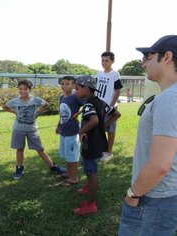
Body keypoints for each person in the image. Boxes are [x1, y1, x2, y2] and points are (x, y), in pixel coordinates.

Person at [118, 35, 177, 236]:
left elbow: (159, 165)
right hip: (176, 187)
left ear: (167, 57)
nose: (143, 62)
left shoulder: (171, 99)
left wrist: (133, 194)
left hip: (156, 197)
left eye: (148, 56)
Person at [73, 76, 119, 216]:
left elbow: (93, 120)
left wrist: (81, 131)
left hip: (91, 143)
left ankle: (90, 205)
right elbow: (117, 114)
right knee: (90, 167)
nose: (76, 90)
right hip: (99, 141)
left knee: (92, 173)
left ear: (86, 89)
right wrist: (103, 126)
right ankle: (89, 187)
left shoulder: (87, 104)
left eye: (78, 88)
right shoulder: (101, 102)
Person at [3, 80, 66, 180]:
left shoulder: (35, 100)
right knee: (20, 149)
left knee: (40, 149)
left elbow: (46, 105)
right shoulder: (15, 101)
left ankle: (53, 167)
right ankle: (19, 168)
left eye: (25, 89)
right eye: (20, 89)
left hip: (32, 129)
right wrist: (14, 112)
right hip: (18, 129)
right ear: (18, 89)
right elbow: (5, 107)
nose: (23, 91)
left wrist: (37, 113)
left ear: (29, 89)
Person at [55, 76, 84, 186]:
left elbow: (88, 104)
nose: (64, 86)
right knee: (67, 153)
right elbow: (62, 114)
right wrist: (58, 126)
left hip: (73, 131)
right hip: (64, 130)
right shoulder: (62, 97)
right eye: (62, 83)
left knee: (73, 154)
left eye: (67, 83)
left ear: (74, 85)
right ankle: (68, 172)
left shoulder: (76, 96)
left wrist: (79, 112)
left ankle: (74, 177)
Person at [96, 51, 123, 161]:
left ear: (112, 61)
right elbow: (95, 89)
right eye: (102, 60)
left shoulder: (115, 74)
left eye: (107, 60)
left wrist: (111, 105)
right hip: (98, 105)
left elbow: (117, 91)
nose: (104, 62)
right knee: (98, 129)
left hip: (109, 107)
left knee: (110, 130)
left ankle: (109, 152)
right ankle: (99, 151)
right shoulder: (99, 74)